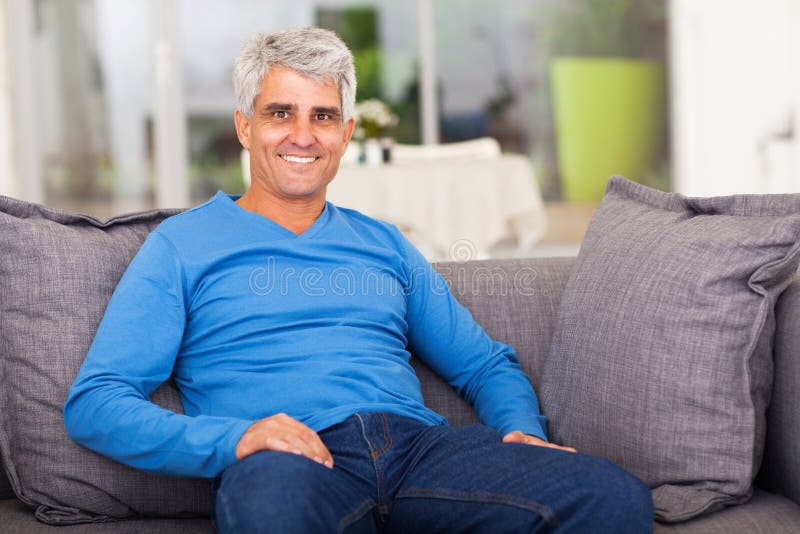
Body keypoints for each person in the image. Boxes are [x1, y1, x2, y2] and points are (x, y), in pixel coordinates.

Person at [65, 27, 653, 533]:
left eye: (322, 116)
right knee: (269, 510)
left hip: (422, 453)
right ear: (244, 128)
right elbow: (97, 402)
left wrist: (522, 430)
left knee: (611, 497)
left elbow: (484, 365)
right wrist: (235, 440)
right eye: (280, 113)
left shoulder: (385, 243)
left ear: (345, 136)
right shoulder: (179, 246)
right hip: (292, 465)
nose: (303, 135)